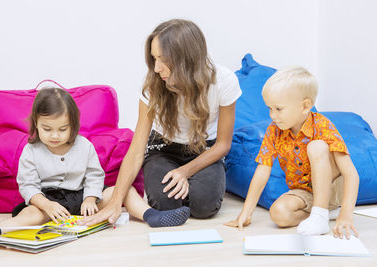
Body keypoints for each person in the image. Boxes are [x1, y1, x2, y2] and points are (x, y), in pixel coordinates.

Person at [80, 19, 241, 227]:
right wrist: (115, 202)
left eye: (163, 59)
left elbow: (223, 144)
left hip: (204, 149)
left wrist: (185, 172)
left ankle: (195, 186)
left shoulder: (224, 81)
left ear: (186, 59)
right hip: (164, 149)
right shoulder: (153, 87)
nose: (156, 68)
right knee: (165, 205)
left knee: (204, 206)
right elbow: (136, 149)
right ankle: (181, 192)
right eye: (154, 58)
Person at [0, 88, 190, 246]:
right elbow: (27, 186)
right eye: (47, 129)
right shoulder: (31, 151)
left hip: (82, 199)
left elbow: (94, 175)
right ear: (36, 124)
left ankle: (151, 215)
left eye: (63, 129)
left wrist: (91, 198)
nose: (55, 136)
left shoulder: (84, 145)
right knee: (31, 215)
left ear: (74, 125)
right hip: (49, 202)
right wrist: (46, 205)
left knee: (123, 191)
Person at [225, 66, 359, 239]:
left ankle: (320, 214)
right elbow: (262, 170)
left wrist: (346, 215)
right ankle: (324, 212)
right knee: (278, 214)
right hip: (305, 193)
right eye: (269, 108)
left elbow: (351, 174)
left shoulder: (321, 125)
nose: (273, 115)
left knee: (316, 146)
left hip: (333, 187)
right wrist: (246, 212)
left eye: (278, 109)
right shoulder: (274, 131)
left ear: (305, 106)